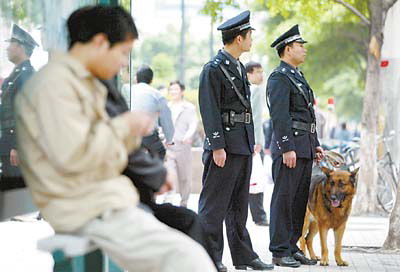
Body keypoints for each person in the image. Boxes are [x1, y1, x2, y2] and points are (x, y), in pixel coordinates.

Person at [14, 5, 216, 272]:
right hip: (91, 208)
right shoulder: (56, 85)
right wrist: (124, 126)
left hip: (107, 202)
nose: (123, 63)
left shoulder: (81, 82)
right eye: (123, 53)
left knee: (190, 240)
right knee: (189, 260)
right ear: (100, 42)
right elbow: (74, 156)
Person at [198, 10, 273, 272]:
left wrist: (251, 142)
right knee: (213, 208)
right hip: (224, 148)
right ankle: (210, 258)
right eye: (250, 35)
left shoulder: (239, 67)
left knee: (239, 207)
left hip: (241, 146)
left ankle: (244, 257)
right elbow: (209, 109)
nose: (252, 40)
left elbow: (247, 112)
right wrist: (217, 145)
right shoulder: (213, 69)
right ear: (239, 38)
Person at [267, 24, 324, 267]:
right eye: (300, 46)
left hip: (304, 147)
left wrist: (316, 144)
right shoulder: (279, 78)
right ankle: (280, 250)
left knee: (299, 199)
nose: (304, 50)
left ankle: (293, 245)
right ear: (287, 49)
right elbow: (280, 116)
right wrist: (287, 147)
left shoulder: (297, 76)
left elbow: (307, 115)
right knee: (284, 199)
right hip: (290, 149)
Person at [0, 24, 38, 192]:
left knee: (14, 194)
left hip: (15, 147)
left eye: (11, 44)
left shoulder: (26, 76)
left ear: (20, 47)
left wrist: (16, 145)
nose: (7, 49)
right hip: (8, 145)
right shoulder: (16, 76)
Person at [165, 80, 198, 207]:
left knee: (185, 177)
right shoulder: (167, 107)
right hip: (169, 146)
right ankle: (168, 202)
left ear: (182, 91)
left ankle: (184, 203)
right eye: (171, 89)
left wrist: (188, 136)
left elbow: (193, 124)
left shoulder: (189, 107)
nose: (173, 92)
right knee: (170, 173)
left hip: (183, 146)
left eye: (176, 89)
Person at [131, 65, 174, 159]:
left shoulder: (128, 91)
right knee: (160, 153)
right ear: (151, 80)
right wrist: (169, 140)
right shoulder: (156, 94)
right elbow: (166, 119)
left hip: (129, 135)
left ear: (136, 79)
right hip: (148, 136)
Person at [245, 61, 269, 226]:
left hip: (246, 141)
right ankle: (259, 216)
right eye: (258, 72)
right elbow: (255, 118)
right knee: (256, 180)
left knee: (252, 179)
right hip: (254, 143)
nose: (261, 75)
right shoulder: (255, 90)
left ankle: (257, 215)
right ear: (249, 74)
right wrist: (257, 142)